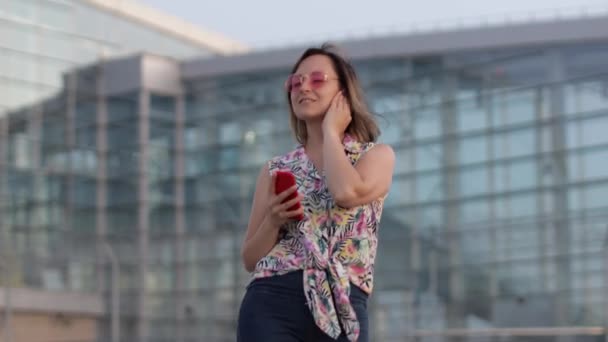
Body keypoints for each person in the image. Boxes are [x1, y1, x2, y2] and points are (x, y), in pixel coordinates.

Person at [237, 43, 395, 342]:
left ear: (343, 93)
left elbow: (346, 192)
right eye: (295, 82)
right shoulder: (275, 169)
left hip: (344, 300)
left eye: (317, 79)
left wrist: (332, 134)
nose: (303, 87)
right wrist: (272, 220)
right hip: (272, 301)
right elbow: (249, 258)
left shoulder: (375, 156)